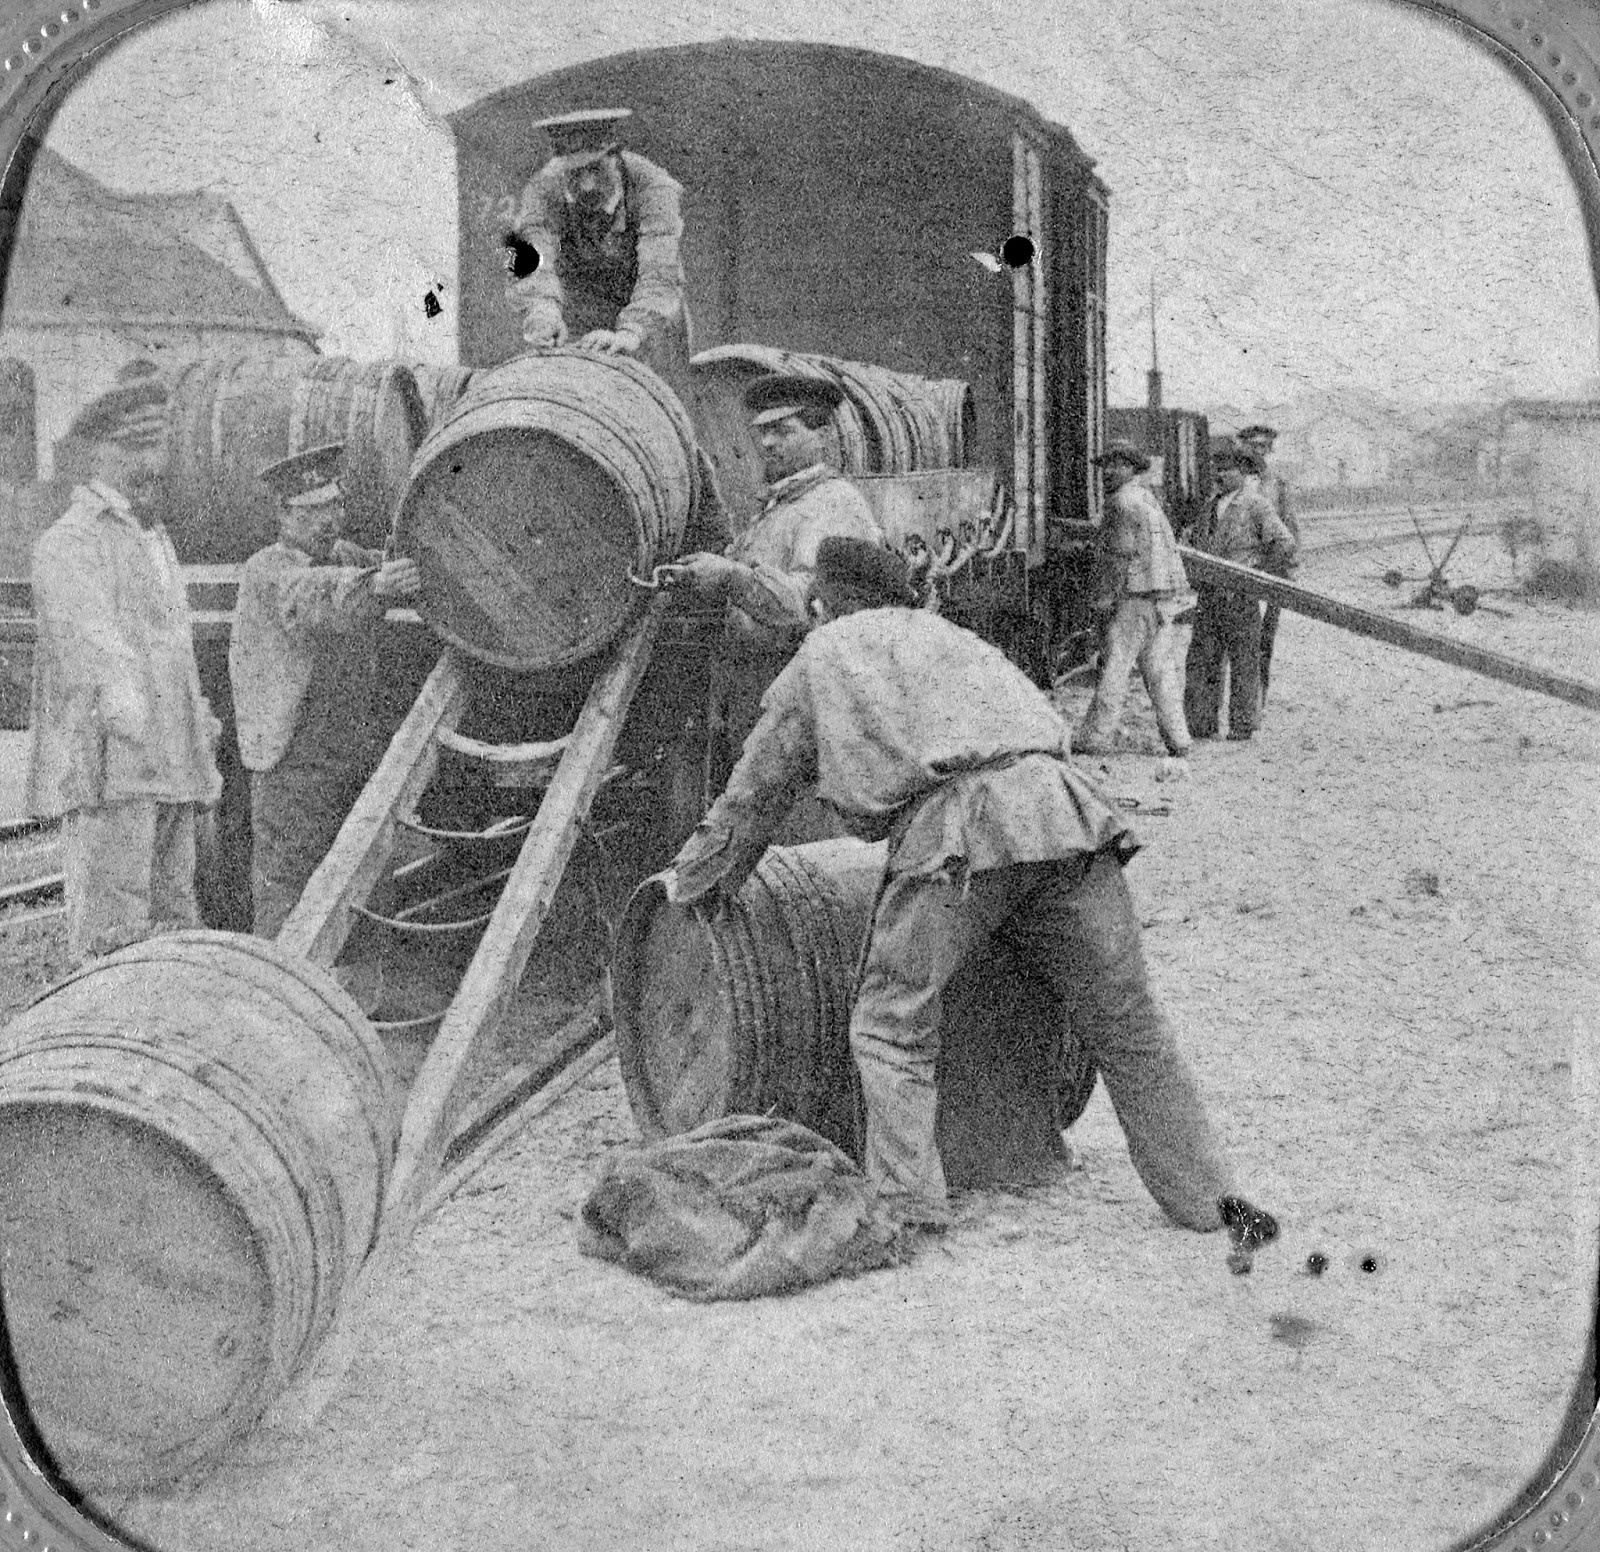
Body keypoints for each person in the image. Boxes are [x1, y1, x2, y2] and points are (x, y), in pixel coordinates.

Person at [664, 535, 1279, 1248]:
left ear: (825, 600)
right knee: (1128, 1021)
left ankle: (909, 1206)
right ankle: (1208, 1199)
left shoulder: (826, 654)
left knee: (891, 1023)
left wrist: (695, 883)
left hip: (962, 833)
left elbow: (755, 793)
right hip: (1070, 816)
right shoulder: (956, 636)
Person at [26, 368, 222, 966]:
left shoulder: (151, 536)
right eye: (138, 450)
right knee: (113, 935)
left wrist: (196, 732)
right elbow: (97, 657)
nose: (155, 466)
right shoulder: (72, 541)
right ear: (101, 454)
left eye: (158, 449)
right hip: (114, 770)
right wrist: (141, 728)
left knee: (172, 923)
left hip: (170, 764)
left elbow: (172, 652)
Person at [229, 443, 421, 937]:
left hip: (349, 750)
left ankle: (357, 997)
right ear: (284, 513)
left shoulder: (348, 556)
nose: (329, 520)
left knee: (366, 875)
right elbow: (311, 595)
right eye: (313, 511)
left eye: (334, 506)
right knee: (288, 880)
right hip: (293, 756)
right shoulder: (268, 569)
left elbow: (377, 565)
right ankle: (280, 993)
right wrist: (377, 585)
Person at [660, 373, 886, 788]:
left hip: (798, 702)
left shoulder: (831, 504)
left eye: (782, 431)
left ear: (822, 435)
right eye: (762, 432)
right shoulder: (780, 505)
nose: (766, 443)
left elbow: (806, 604)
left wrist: (729, 576)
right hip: (755, 694)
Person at [507, 107, 691, 380]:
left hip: (650, 317)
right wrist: (543, 312)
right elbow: (531, 259)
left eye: (595, 168)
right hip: (578, 315)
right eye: (575, 173)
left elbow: (660, 273)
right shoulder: (543, 189)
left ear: (614, 157)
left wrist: (631, 333)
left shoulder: (654, 187)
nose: (588, 185)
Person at [1073, 440, 1191, 758]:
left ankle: (1096, 737)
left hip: (1131, 597)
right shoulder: (1147, 497)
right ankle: (1179, 739)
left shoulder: (1119, 503)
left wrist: (1102, 599)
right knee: (1160, 671)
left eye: (1117, 464)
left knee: (1115, 667)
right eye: (1106, 465)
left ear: (1131, 467)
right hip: (1158, 598)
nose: (1108, 471)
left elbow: (1117, 558)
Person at [1183, 447, 1297, 742]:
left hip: (1241, 596)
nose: (1220, 474)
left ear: (1243, 473)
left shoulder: (1256, 505)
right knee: (1202, 659)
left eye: (1228, 469)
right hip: (1209, 595)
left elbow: (1284, 542)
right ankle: (1200, 724)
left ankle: (1243, 725)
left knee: (1245, 662)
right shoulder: (1210, 506)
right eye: (1217, 468)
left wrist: (1257, 572)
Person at [1236, 424, 1299, 711]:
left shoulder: (1278, 484)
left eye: (1263, 447)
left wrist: (1287, 565)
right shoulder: (1232, 480)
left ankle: (1258, 698)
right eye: (1252, 446)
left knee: (1263, 640)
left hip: (1268, 570)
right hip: (1236, 569)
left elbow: (1290, 527)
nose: (1258, 452)